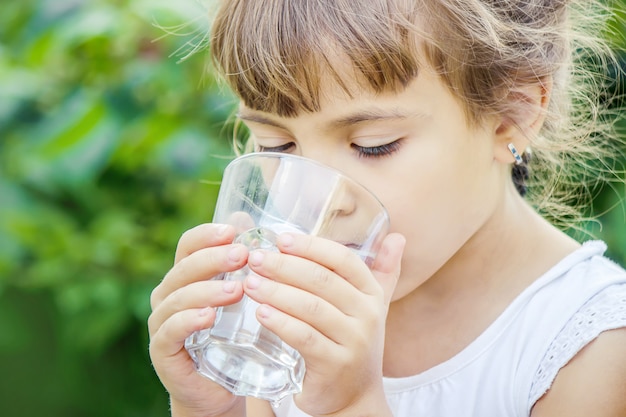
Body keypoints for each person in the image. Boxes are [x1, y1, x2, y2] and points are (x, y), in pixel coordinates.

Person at [147, 0, 626, 416]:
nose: (312, 198)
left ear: (511, 115)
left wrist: (351, 407)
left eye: (373, 145)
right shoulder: (272, 328)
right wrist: (214, 409)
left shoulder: (591, 352)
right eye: (279, 145)